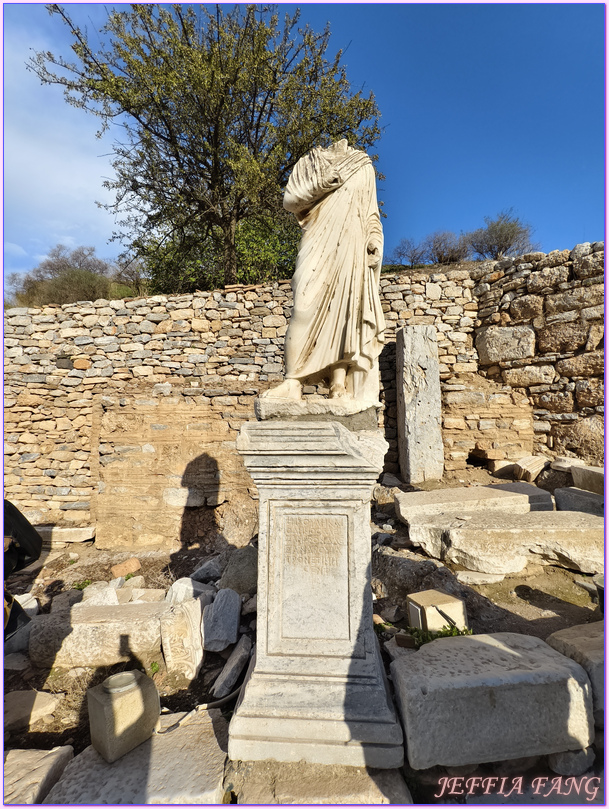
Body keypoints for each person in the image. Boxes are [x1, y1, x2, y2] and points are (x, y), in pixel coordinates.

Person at [262, 139, 385, 405]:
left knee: (345, 313)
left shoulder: (362, 165)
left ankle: (338, 385)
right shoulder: (310, 163)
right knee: (303, 307)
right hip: (317, 238)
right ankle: (292, 382)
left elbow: (371, 213)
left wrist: (374, 240)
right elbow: (290, 201)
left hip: (351, 245)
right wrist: (322, 184)